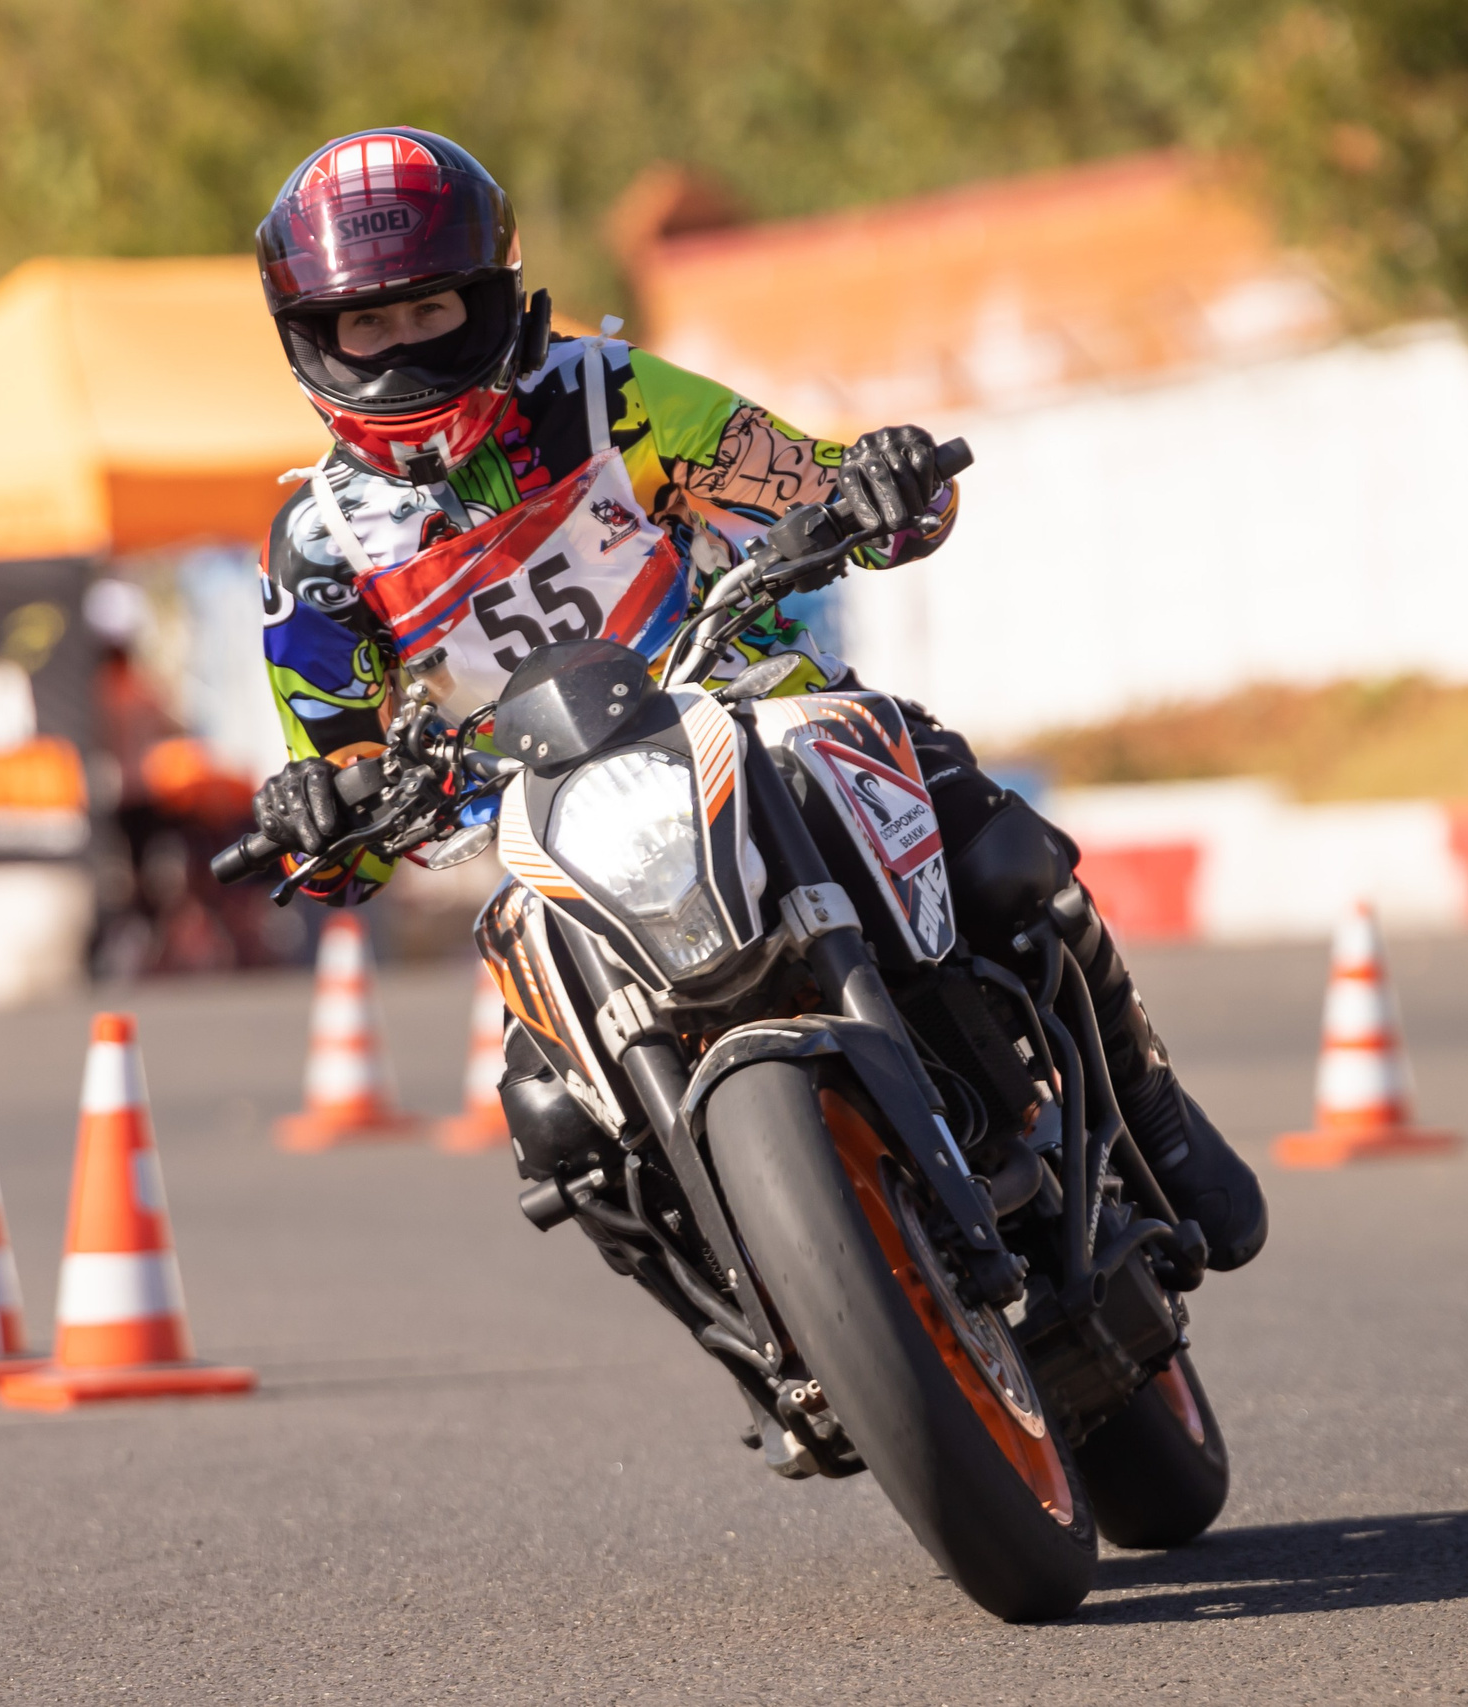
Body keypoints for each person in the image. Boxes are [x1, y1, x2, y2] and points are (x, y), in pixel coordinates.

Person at [242, 128, 1264, 1271]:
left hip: (757, 719)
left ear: (487, 298)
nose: (398, 350)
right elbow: (339, 810)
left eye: (426, 310)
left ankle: (1149, 1106)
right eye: (363, 324)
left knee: (994, 854)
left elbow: (831, 490)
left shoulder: (608, 394)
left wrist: (877, 486)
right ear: (311, 341)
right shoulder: (316, 550)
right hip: (546, 840)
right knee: (554, 1127)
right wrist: (314, 810)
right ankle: (764, 1337)